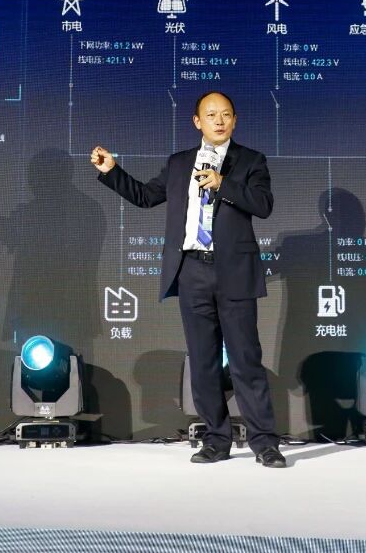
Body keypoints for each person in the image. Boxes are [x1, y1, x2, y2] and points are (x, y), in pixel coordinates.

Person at [91, 91, 286, 467]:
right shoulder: (179, 163)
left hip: (234, 271)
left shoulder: (251, 160)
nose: (219, 121)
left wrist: (222, 183)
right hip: (192, 269)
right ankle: (216, 439)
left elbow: (263, 205)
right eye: (211, 115)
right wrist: (112, 171)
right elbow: (145, 197)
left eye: (226, 115)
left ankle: (264, 443)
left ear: (235, 120)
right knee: (203, 361)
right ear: (197, 122)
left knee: (245, 360)